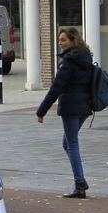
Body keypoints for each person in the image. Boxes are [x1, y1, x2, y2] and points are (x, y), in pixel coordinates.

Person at [35, 27, 93, 199]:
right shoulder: (86, 58)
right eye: (60, 40)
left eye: (63, 40)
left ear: (73, 41)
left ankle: (80, 184)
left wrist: (41, 111)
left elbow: (55, 88)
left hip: (70, 108)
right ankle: (81, 179)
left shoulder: (69, 62)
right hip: (84, 107)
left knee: (72, 145)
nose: (60, 43)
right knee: (67, 143)